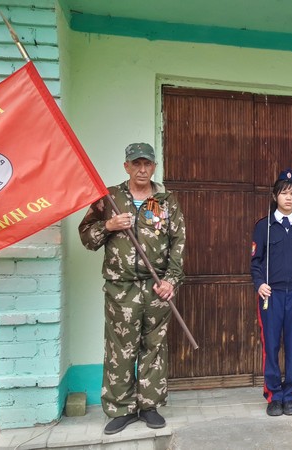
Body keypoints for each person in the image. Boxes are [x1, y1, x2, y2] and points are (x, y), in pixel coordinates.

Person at [78, 143, 186, 434]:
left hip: (156, 288)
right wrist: (109, 225)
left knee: (154, 348)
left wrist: (171, 281)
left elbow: (178, 243)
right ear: (126, 166)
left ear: (154, 167)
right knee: (119, 349)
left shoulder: (165, 200)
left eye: (147, 164)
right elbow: (87, 238)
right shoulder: (109, 199)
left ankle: (149, 406)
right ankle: (120, 409)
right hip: (121, 289)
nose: (142, 169)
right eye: (136, 163)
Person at [250, 169, 292, 417]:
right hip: (272, 296)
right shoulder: (264, 226)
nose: (288, 198)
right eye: (283, 193)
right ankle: (273, 394)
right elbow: (255, 262)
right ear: (275, 195)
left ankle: (290, 394)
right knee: (271, 345)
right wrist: (259, 284)